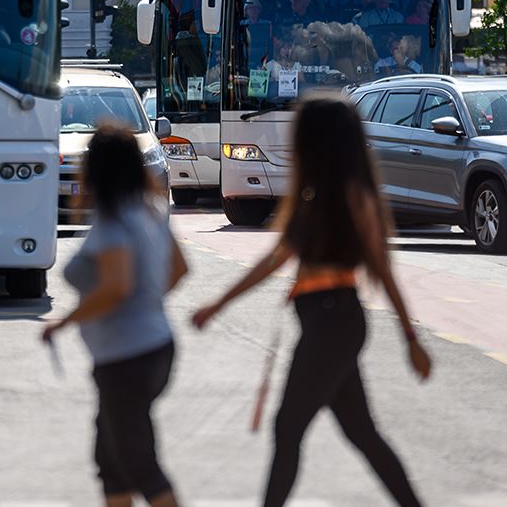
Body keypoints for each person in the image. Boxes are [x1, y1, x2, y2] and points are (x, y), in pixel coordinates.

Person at [192, 93, 432, 507]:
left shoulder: (354, 195)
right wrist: (219, 303)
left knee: (288, 429)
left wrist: (410, 338)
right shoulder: (311, 194)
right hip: (327, 321)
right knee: (361, 433)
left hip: (333, 321)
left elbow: (382, 268)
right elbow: (276, 258)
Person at [42, 122, 189, 507]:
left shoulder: (113, 221)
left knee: (138, 464)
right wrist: (149, 302)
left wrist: (64, 322)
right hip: (150, 348)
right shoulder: (149, 211)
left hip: (128, 358)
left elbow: (115, 287)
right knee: (111, 461)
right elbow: (178, 269)